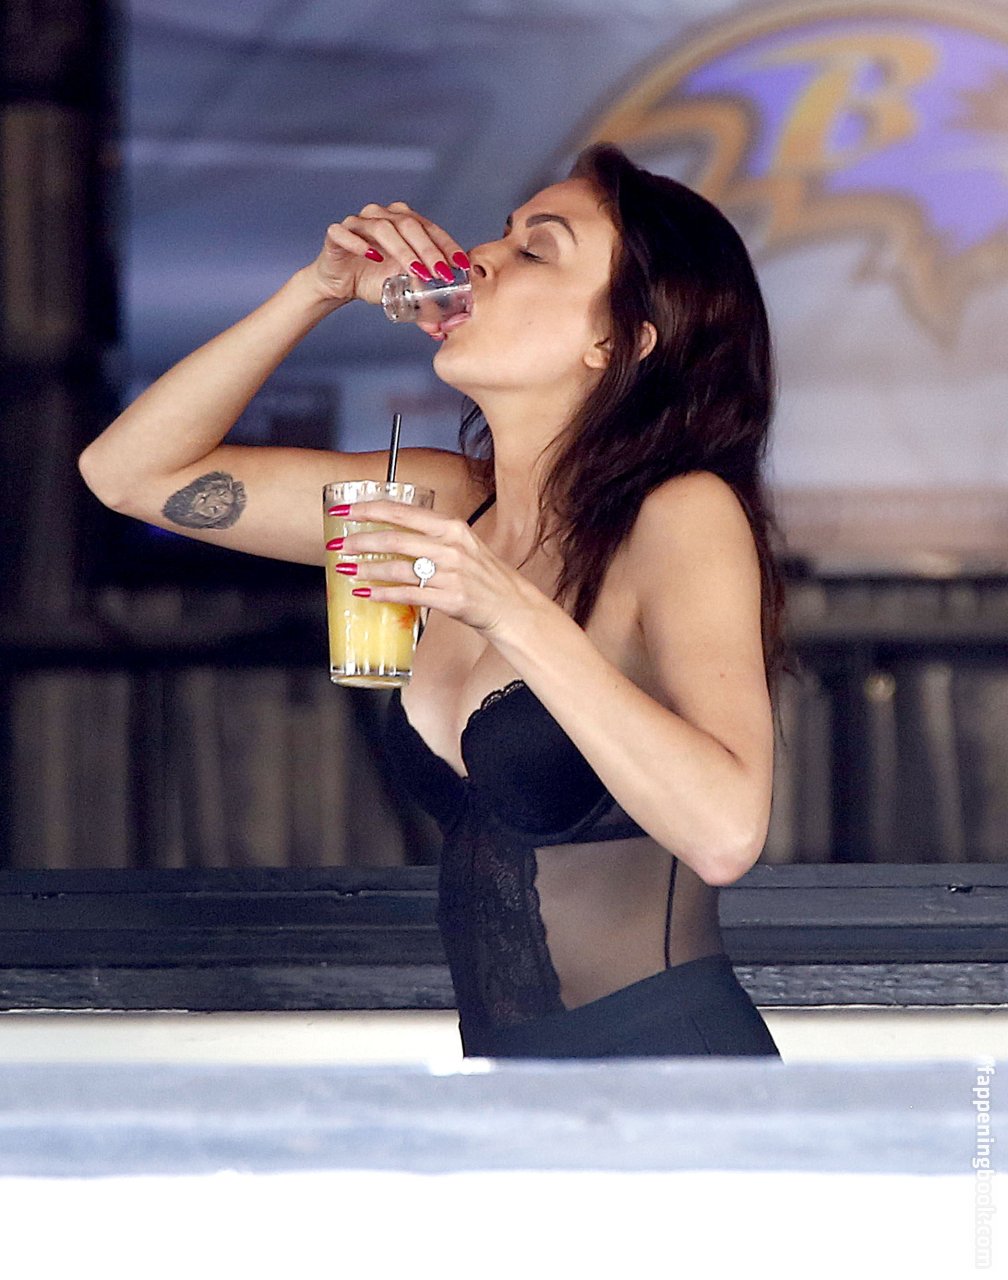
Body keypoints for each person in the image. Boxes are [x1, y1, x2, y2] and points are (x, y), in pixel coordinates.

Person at [80, 141, 794, 1060]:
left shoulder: (679, 512)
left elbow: (726, 833)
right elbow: (127, 475)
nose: (480, 258)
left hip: (675, 1076)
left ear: (617, 342)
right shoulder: (450, 502)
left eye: (535, 251)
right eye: (500, 235)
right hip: (513, 1090)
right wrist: (317, 290)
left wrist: (510, 611)